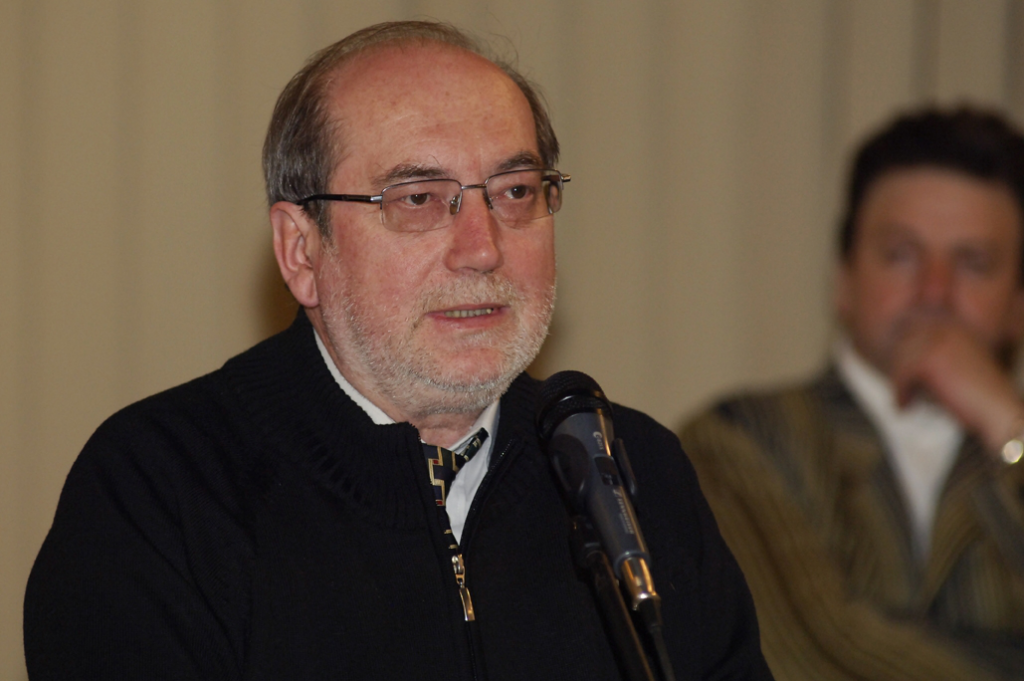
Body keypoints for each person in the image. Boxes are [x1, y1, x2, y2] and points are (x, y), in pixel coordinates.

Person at [24, 21, 771, 680]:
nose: (483, 248)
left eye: (515, 191)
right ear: (301, 250)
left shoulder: (631, 476)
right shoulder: (161, 490)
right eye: (417, 199)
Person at [680, 107, 1024, 681]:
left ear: (1016, 305)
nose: (934, 292)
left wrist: (1010, 426)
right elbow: (806, 657)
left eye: (974, 263)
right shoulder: (738, 439)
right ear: (843, 279)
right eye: (902, 255)